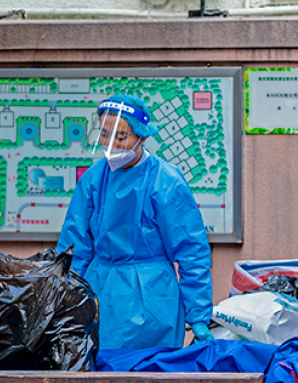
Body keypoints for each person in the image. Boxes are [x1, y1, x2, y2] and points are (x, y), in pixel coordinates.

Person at [57, 94, 213, 350]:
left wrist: (198, 315)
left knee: (150, 376)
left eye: (120, 137)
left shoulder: (166, 181)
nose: (109, 145)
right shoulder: (94, 179)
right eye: (105, 135)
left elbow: (191, 251)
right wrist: (64, 298)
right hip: (101, 292)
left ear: (141, 136)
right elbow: (75, 247)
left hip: (153, 298)